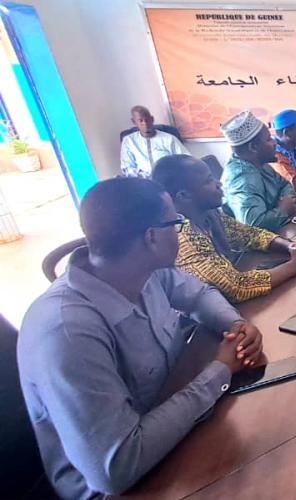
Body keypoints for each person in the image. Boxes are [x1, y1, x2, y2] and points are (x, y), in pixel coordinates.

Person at [17, 177, 265, 499]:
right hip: (128, 486)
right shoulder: (67, 332)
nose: (180, 231)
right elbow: (116, 467)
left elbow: (198, 295)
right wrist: (220, 370)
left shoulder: (142, 269)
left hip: (173, 422)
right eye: (174, 222)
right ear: (151, 237)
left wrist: (235, 324)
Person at [152, 154, 296, 303]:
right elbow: (235, 287)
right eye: (209, 181)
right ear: (184, 195)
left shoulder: (209, 214)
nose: (218, 184)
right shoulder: (181, 237)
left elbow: (249, 234)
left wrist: (290, 246)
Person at [220, 110, 296, 231]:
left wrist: (285, 201)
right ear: (253, 147)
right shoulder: (242, 180)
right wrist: (283, 210)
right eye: (269, 139)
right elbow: (252, 226)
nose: (274, 143)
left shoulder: (259, 164)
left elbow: (285, 185)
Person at [120, 105, 188, 178]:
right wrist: (144, 175)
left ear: (152, 119)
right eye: (140, 121)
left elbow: (186, 160)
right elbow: (127, 168)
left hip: (168, 178)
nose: (145, 124)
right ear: (134, 122)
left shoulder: (169, 139)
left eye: (147, 120)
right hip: (142, 181)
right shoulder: (129, 141)